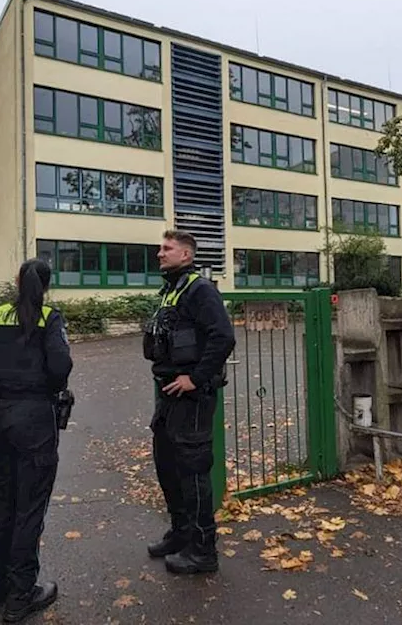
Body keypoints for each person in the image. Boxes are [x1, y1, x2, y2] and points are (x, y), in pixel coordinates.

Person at [0, 258, 73, 621]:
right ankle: (20, 597)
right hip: (35, 422)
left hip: (0, 419)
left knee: (3, 508)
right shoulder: (49, 318)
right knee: (29, 510)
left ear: (17, 281)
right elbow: (60, 369)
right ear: (46, 285)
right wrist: (40, 396)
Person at [143, 229, 236, 574]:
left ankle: (202, 550)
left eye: (166, 248)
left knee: (193, 470)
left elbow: (223, 336)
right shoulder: (172, 290)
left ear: (186, 255)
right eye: (160, 247)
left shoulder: (200, 289)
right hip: (169, 392)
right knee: (168, 465)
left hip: (192, 396)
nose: (159, 253)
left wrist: (195, 378)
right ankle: (181, 533)